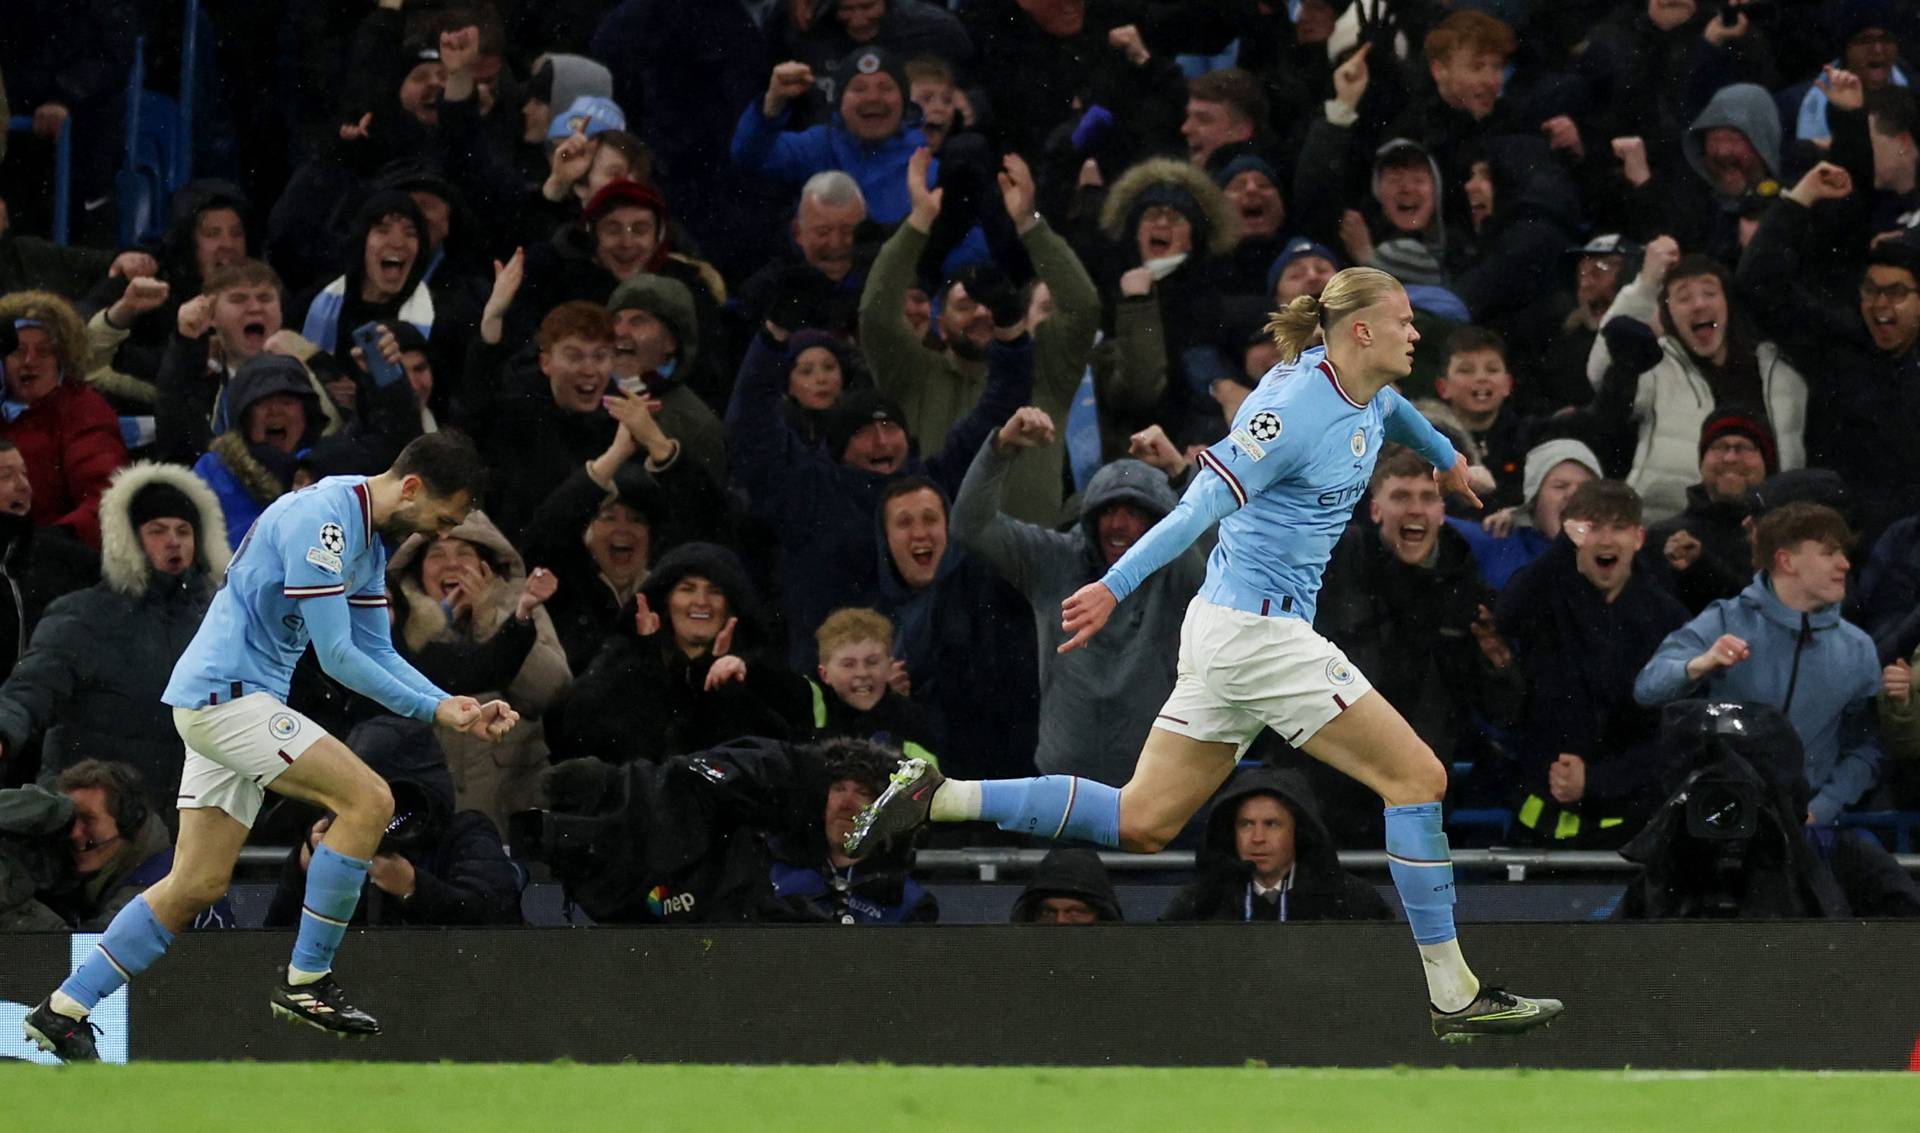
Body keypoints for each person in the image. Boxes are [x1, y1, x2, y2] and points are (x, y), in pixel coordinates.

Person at [846, 267, 1563, 1038]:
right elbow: (1195, 509)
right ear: (1360, 331)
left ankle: (940, 796)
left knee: (1144, 818)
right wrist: (1115, 585)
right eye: (1403, 320)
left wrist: (1447, 459)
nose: (1415, 332)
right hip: (1259, 634)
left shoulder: (1361, 390)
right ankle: (1454, 992)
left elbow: (1391, 412)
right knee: (1417, 775)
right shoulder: (1288, 410)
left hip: (1231, 632)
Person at [21, 433, 520, 1062]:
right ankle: (306, 980)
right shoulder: (325, 521)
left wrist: (457, 705)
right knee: (369, 801)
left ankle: (62, 1011)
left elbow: (379, 650)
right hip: (229, 700)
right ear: (414, 488)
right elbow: (337, 658)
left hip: (226, 701)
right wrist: (433, 709)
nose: (445, 530)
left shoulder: (367, 537)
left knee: (197, 883)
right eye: (446, 515)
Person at [952, 409, 1203, 787]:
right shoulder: (1054, 560)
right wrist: (1000, 448)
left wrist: (1180, 471)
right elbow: (971, 526)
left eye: (1135, 513)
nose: (1120, 524)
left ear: (1159, 524)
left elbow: (1224, 550)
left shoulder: (1178, 568)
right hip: (1061, 787)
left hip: (1154, 788)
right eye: (1110, 511)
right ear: (1090, 519)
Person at [1635, 502, 1887, 827]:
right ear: (1786, 560)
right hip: (1720, 824)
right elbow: (1647, 687)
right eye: (1829, 553)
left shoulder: (1858, 648)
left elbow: (1866, 748)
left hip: (1807, 831)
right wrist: (1700, 664)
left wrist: (1821, 810)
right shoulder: (1724, 620)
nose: (1844, 564)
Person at [0, 463, 228, 811]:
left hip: (181, 820)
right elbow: (30, 687)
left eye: (183, 531)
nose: (173, 541)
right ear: (129, 539)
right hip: (91, 821)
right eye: (157, 530)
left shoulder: (219, 622)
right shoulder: (83, 616)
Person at [1496, 480, 1689, 847]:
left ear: (1639, 538)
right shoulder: (1543, 598)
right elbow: (1506, 616)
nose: (1604, 539)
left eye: (1618, 527)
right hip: (1539, 827)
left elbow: (1670, 735)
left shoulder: (1668, 619)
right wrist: (1564, 546)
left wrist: (1596, 782)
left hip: (1634, 830)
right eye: (1591, 527)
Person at [1159, 766, 1391, 923]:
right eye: (1246, 824)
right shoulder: (1200, 904)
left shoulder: (1352, 901)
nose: (1257, 838)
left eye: (1271, 824)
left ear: (1298, 831)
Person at [768, 736, 938, 924]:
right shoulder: (770, 874)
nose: (846, 803)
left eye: (863, 793)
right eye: (839, 789)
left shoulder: (908, 904)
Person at [1007, 847, 1123, 925]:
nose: (1060, 921)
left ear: (1101, 917)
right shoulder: (1010, 962)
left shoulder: (1127, 961)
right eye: (1047, 912)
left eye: (1076, 912)